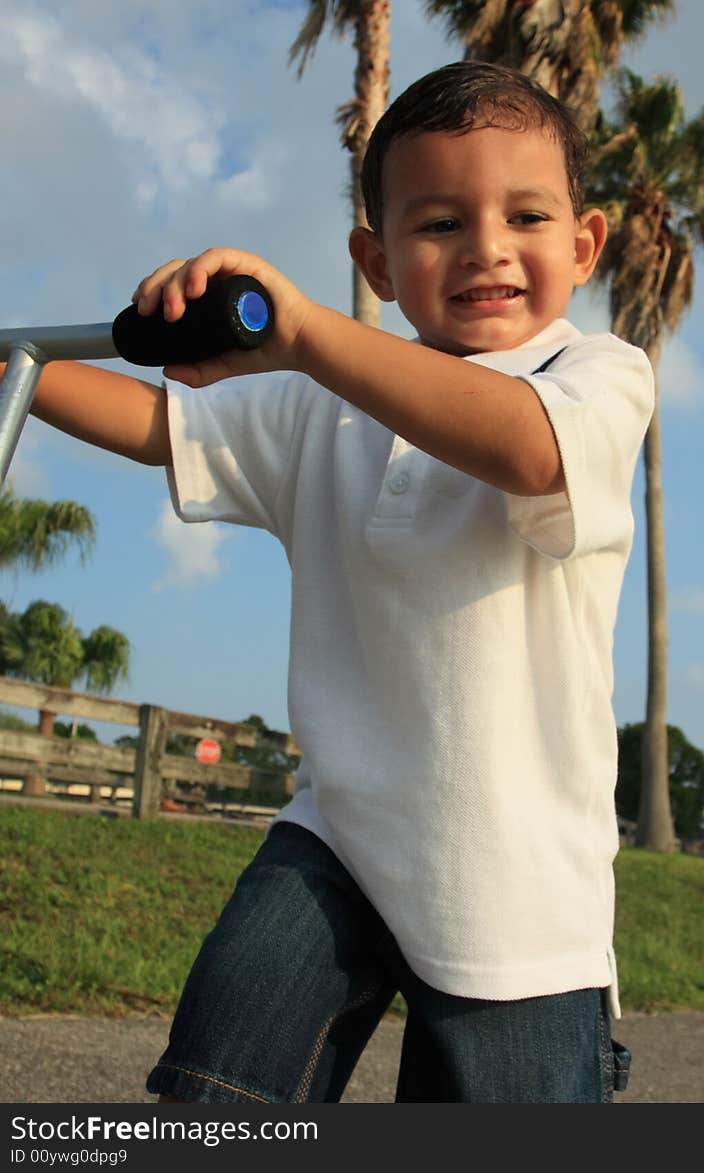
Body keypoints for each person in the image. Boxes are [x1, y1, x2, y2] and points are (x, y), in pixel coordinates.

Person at [25, 61, 653, 1103]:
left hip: (516, 892)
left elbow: (530, 455)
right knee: (218, 1087)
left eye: (525, 216)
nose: (486, 248)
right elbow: (158, 426)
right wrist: (24, 374)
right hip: (341, 833)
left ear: (582, 245)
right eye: (440, 223)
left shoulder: (592, 378)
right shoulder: (326, 404)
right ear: (379, 258)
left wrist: (308, 333)